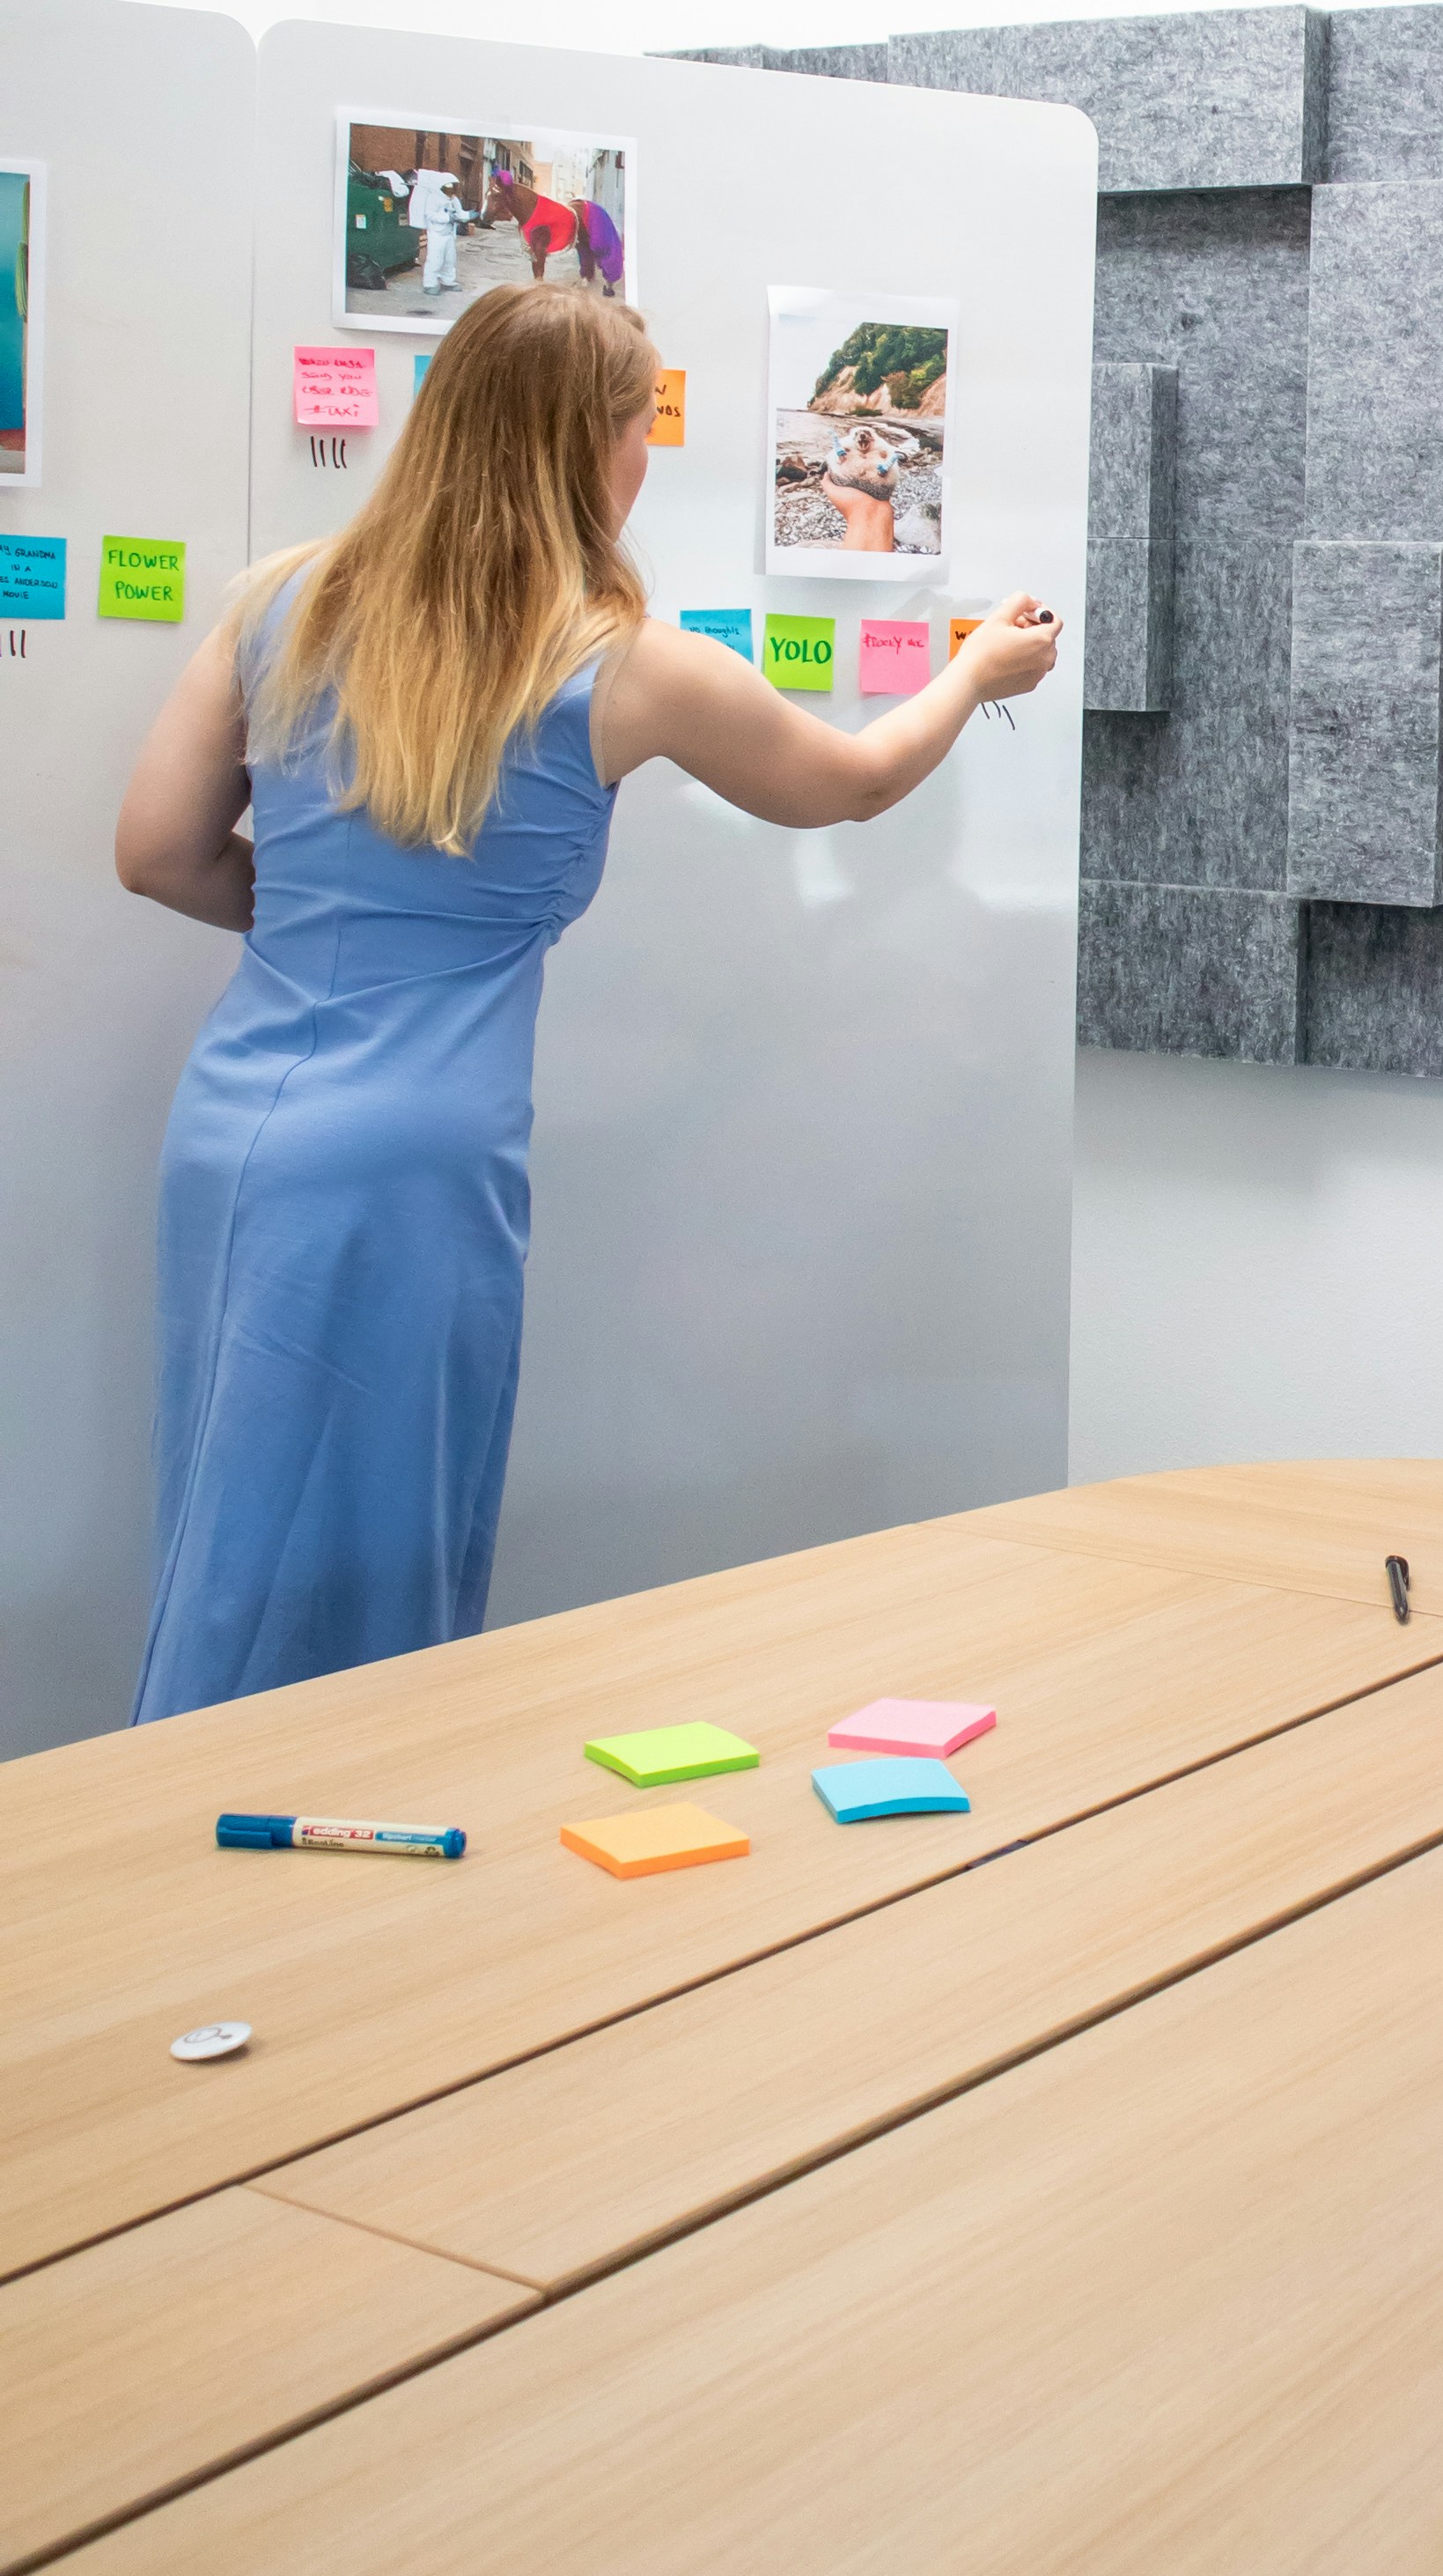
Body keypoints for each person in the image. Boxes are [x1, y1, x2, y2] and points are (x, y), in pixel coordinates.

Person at [113, 283, 1060, 1721]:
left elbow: (156, 849)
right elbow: (855, 783)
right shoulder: (620, 664)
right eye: (641, 426)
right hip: (415, 1159)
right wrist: (976, 666)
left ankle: (189, 1842)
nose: (645, 458)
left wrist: (333, 933)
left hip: (234, 1124)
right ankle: (341, 1852)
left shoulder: (285, 601)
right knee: (379, 1551)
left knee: (231, 1528)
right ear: (592, 446)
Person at [406, 159, 468, 299]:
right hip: (436, 234)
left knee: (449, 259)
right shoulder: (434, 198)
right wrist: (447, 218)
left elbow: (460, 213)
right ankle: (430, 283)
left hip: (448, 235)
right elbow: (430, 215)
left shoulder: (453, 199)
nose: (452, 190)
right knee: (435, 259)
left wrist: (469, 215)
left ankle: (448, 281)